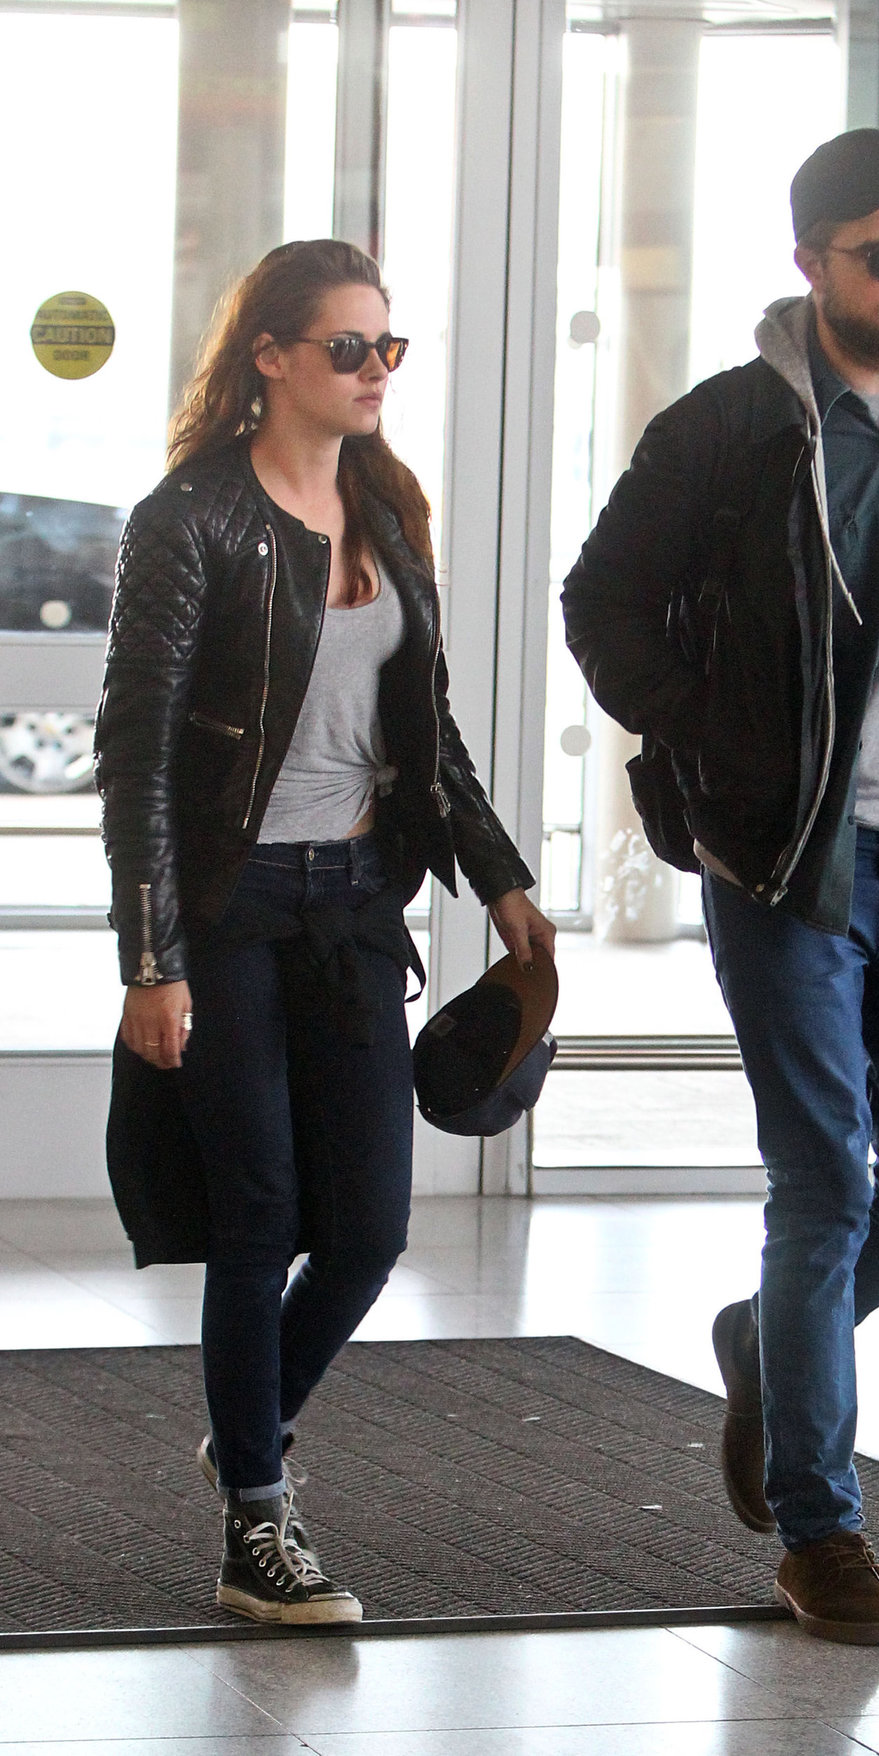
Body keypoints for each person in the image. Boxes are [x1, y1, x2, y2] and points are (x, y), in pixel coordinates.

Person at [562, 128, 879, 1646]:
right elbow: (600, 601)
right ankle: (823, 1529)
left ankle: (764, 1343)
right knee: (827, 1182)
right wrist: (713, 738)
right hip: (786, 860)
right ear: (812, 263)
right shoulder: (727, 430)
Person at [95, 238, 554, 1626]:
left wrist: (504, 880)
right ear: (271, 358)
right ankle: (257, 1520)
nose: (374, 371)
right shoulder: (191, 519)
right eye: (348, 348)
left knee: (367, 1228)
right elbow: (138, 756)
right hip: (232, 906)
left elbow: (427, 728)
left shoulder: (387, 507)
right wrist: (151, 959)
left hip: (357, 901)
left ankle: (248, 1426)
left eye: (387, 346)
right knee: (260, 1214)